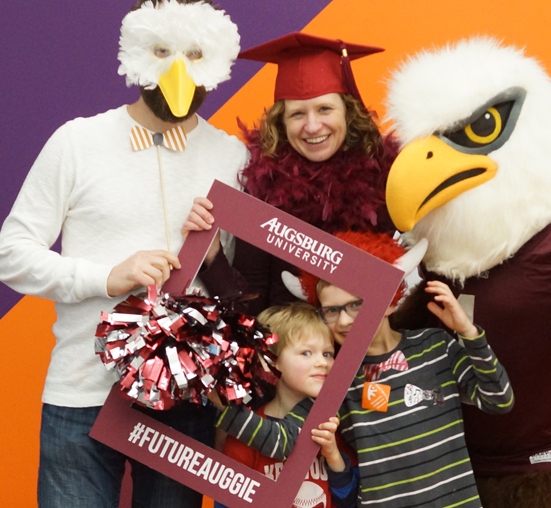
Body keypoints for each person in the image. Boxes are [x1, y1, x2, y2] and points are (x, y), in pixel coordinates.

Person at [0, 1, 247, 506]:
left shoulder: (232, 156)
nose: (178, 70)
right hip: (82, 394)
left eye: (195, 54)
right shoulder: (77, 142)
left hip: (186, 396)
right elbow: (11, 254)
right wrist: (106, 277)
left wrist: (219, 253)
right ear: (136, 54)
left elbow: (245, 288)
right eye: (161, 51)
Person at [216, 231, 515, 508]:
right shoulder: (335, 380)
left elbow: (498, 399)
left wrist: (468, 332)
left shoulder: (435, 345)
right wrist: (220, 400)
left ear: (388, 299)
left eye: (356, 305)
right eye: (331, 310)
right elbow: (280, 442)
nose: (344, 321)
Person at [182, 32, 399, 315]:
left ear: (348, 112)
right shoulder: (264, 188)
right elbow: (251, 307)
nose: (312, 126)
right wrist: (213, 258)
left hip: (370, 351)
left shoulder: (386, 180)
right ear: (281, 123)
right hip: (286, 351)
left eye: (324, 109)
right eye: (297, 114)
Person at [215, 303, 357, 508]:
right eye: (306, 353)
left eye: (327, 354)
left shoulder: (331, 426)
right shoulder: (247, 432)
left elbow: (350, 501)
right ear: (272, 362)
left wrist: (334, 457)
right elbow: (227, 501)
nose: (322, 362)